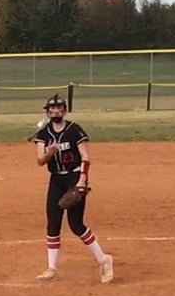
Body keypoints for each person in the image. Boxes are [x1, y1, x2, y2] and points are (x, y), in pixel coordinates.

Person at [29, 94, 113, 284]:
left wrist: (82, 180)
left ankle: (104, 260)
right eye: (52, 109)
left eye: (59, 108)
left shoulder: (74, 130)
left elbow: (85, 158)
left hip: (74, 177)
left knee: (76, 224)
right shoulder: (43, 134)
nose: (56, 111)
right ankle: (51, 268)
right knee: (53, 223)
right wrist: (49, 153)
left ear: (65, 111)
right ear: (48, 112)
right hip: (56, 179)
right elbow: (40, 160)